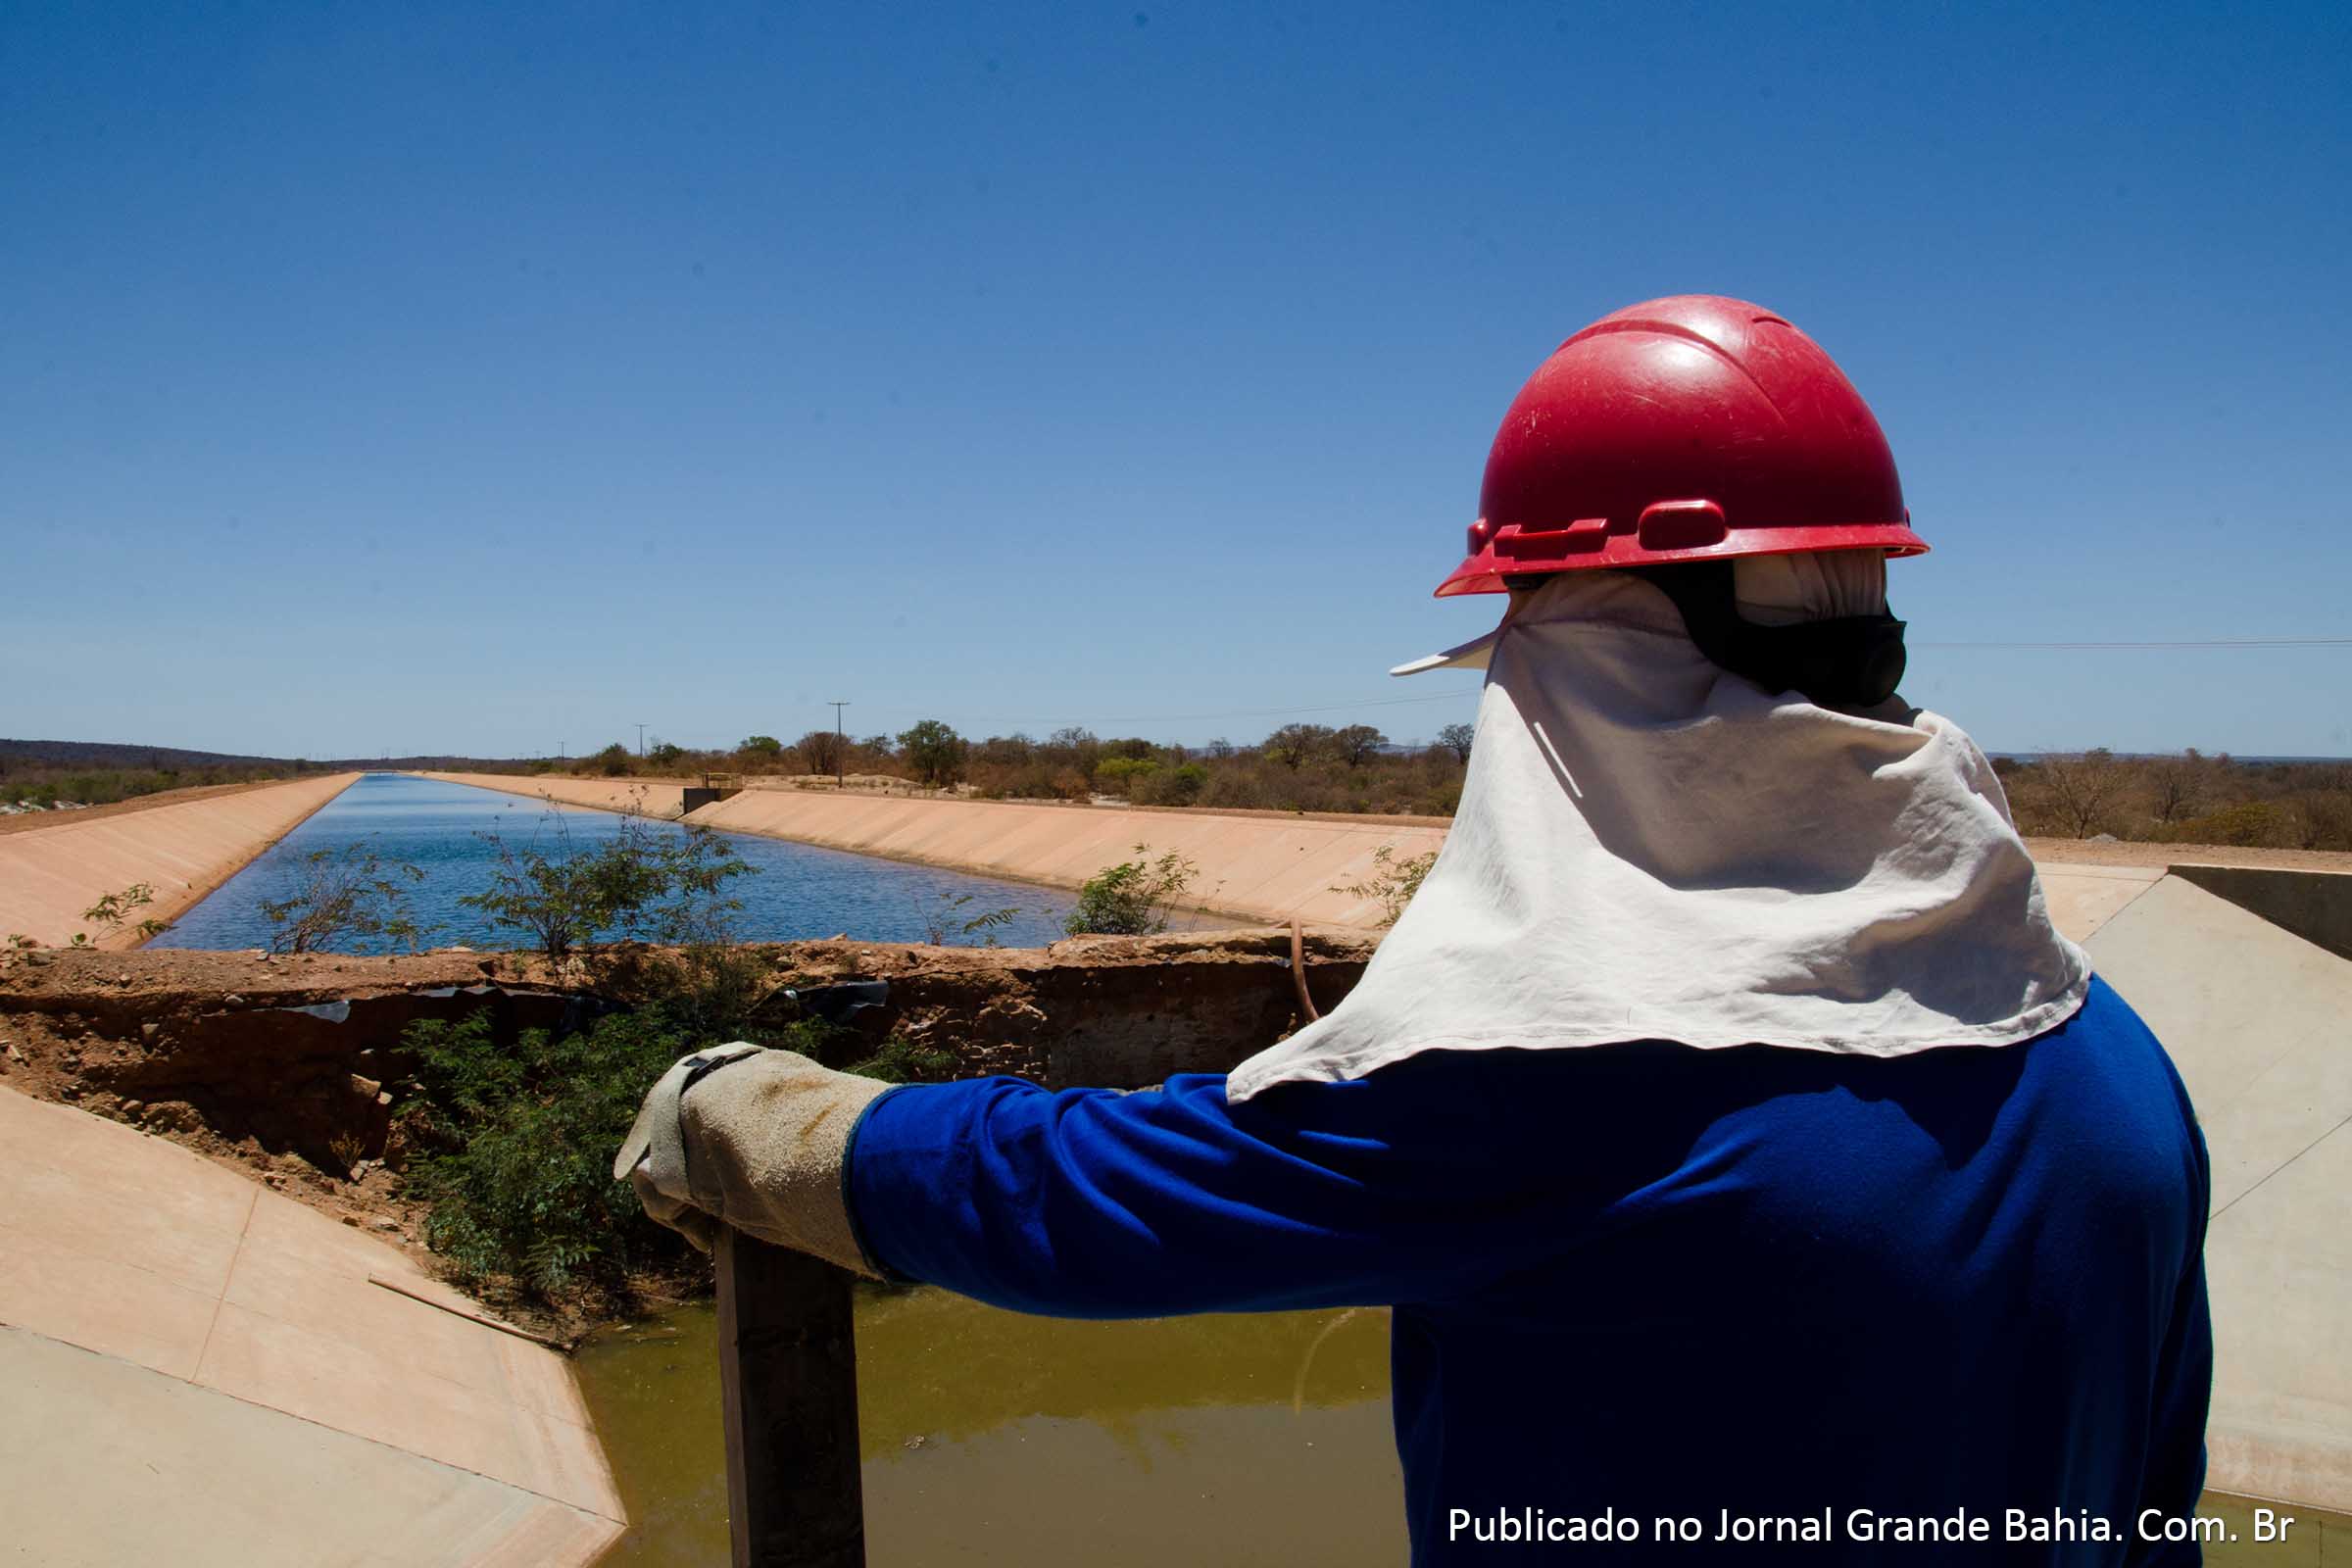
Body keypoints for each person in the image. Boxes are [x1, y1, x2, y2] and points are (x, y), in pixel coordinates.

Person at [618, 295, 2212, 1564]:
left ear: (1584, 676)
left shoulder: (1563, 1106)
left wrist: (774, 1129)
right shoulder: (2113, 1064)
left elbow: (1086, 1204)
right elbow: (2152, 1505)